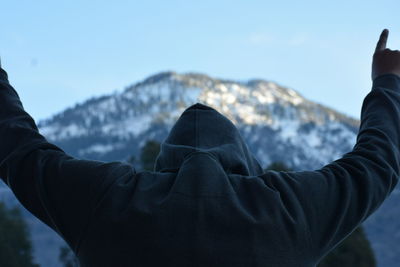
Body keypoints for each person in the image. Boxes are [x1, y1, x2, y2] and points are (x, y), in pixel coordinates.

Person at [0, 28, 399, 267]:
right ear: (244, 159)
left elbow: (20, 148)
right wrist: (388, 82)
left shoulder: (110, 202)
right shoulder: (287, 210)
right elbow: (377, 162)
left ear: (163, 162)